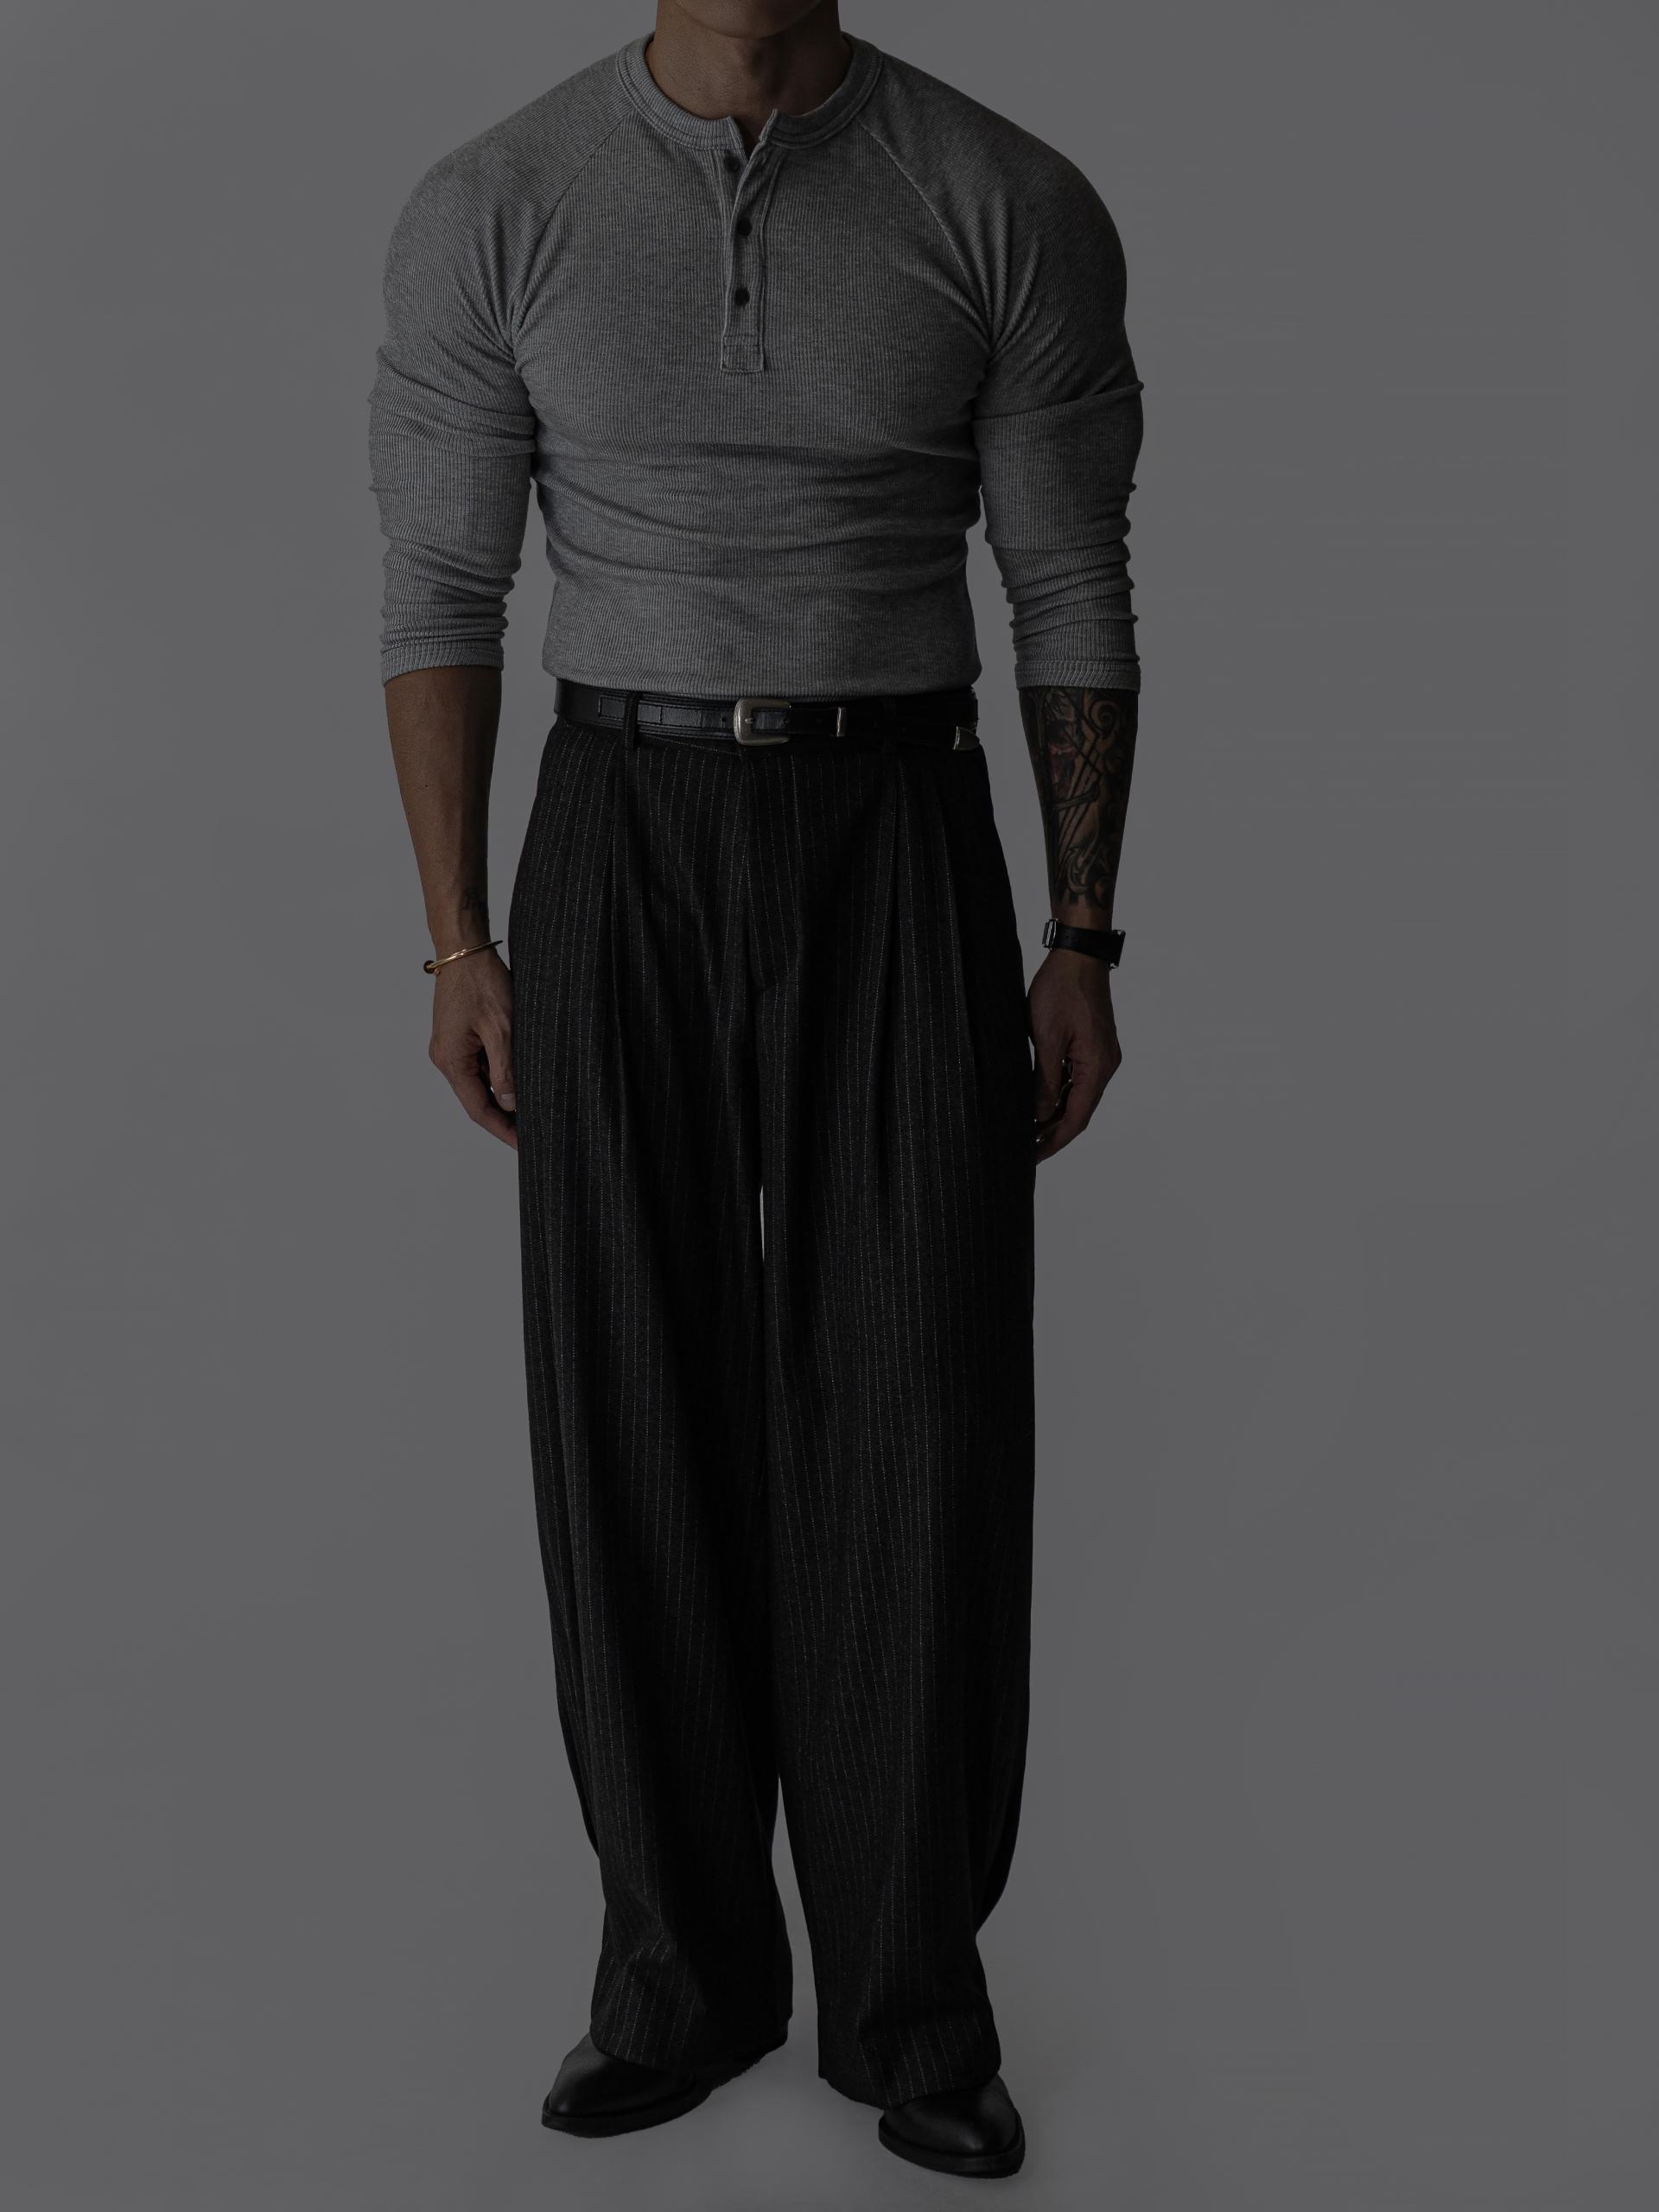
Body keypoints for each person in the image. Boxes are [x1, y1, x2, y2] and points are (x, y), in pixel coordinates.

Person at [367, 1, 1142, 2181]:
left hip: (899, 824)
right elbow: (441, 582)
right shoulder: (497, 202)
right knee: (632, 1397)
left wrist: (1083, 934)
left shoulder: (1003, 199)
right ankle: (679, 1978)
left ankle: (911, 2005)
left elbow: (1068, 578)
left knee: (920, 1408)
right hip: (616, 826)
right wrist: (457, 939)